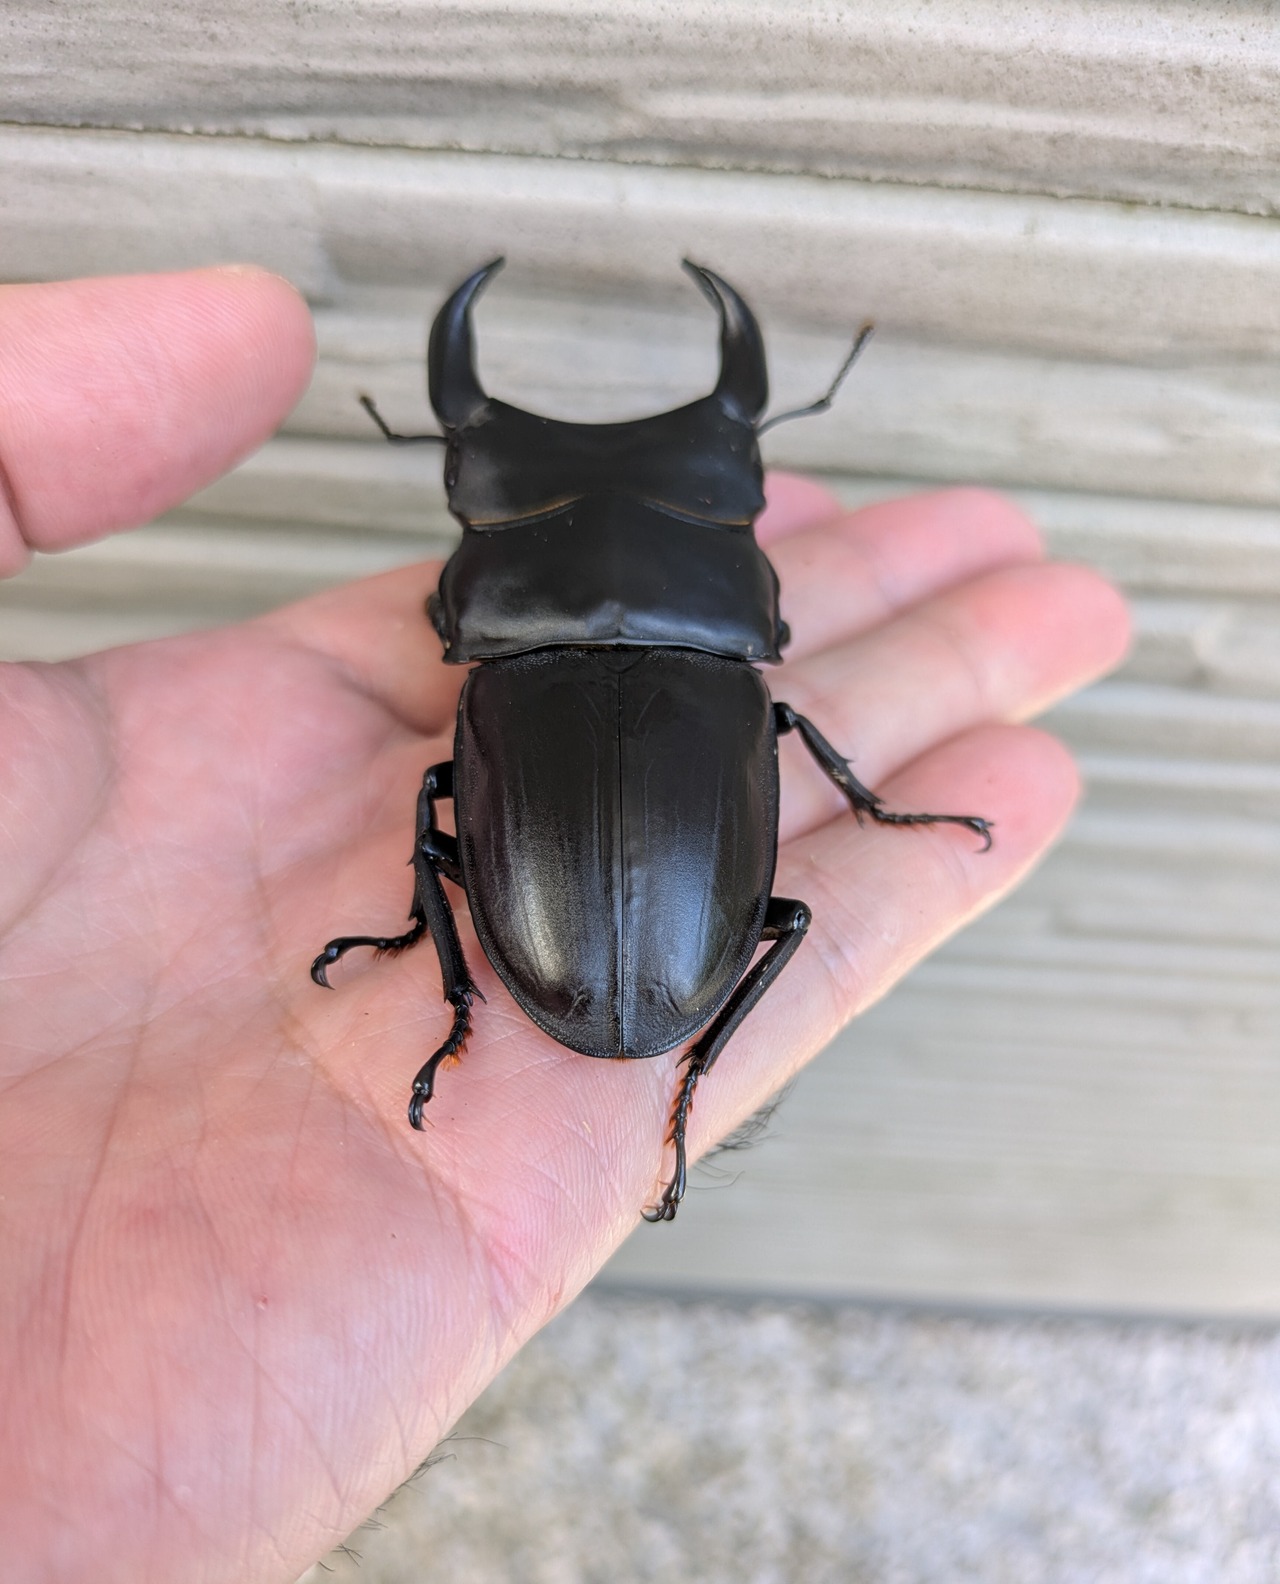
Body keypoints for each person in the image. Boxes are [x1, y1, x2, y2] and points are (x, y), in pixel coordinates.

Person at [0, 267, 1129, 1581]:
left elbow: (444, 819)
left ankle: (478, 1009)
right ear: (746, 587)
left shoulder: (487, 696)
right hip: (657, 912)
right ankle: (657, 1059)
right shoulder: (751, 698)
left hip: (567, 907)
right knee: (788, 913)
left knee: (445, 806)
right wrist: (862, 814)